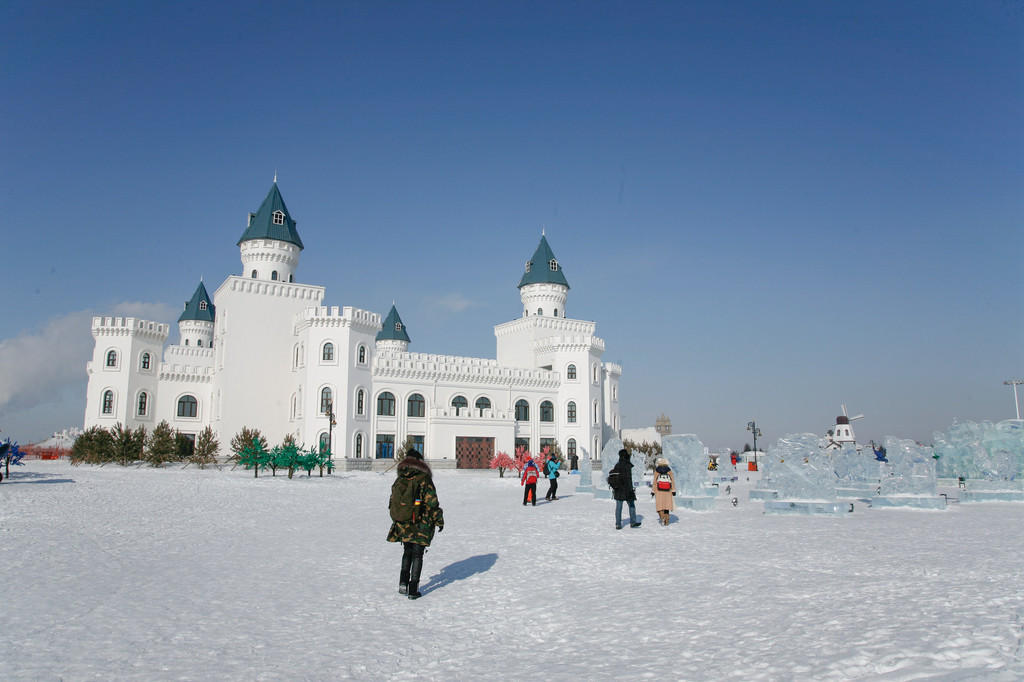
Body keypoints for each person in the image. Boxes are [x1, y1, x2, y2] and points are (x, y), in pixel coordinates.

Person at [387, 449, 444, 600]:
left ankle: (402, 583)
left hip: (404, 522)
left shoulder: (400, 478)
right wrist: (439, 519)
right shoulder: (423, 478)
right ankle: (413, 589)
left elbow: (393, 500)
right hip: (421, 523)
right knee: (417, 555)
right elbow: (432, 502)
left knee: (407, 551)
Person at [609, 448, 640, 529]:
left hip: (618, 489)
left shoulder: (617, 464)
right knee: (631, 505)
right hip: (626, 488)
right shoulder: (627, 465)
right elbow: (628, 478)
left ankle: (618, 524)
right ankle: (633, 522)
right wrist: (631, 489)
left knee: (619, 507)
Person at [651, 457, 676, 526]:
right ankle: (667, 521)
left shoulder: (657, 471)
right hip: (668, 490)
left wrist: (653, 491)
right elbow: (672, 481)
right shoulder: (669, 471)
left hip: (658, 490)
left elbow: (655, 482)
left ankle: (662, 517)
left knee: (660, 505)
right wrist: (673, 490)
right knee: (666, 506)